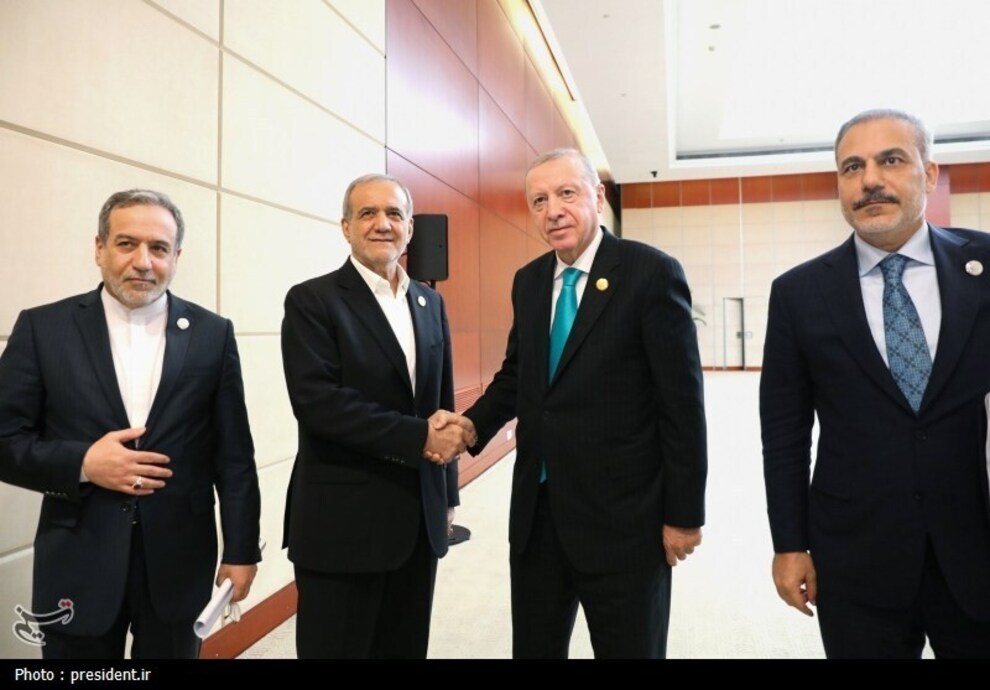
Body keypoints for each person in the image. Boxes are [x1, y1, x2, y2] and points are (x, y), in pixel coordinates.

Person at [437, 148, 707, 658]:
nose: (553, 211)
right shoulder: (530, 281)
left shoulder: (650, 273)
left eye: (566, 193)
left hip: (623, 523)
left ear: (597, 197)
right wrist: (470, 427)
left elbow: (683, 407)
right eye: (539, 201)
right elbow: (518, 376)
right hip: (538, 517)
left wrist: (684, 514)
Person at [761, 109, 990, 658]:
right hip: (856, 556)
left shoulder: (984, 266)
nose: (869, 181)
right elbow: (785, 435)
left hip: (976, 545)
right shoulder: (797, 294)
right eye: (852, 167)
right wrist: (789, 545)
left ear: (928, 174)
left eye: (891, 160)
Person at [0, 189, 261, 659]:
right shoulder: (43, 329)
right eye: (126, 244)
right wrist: (83, 463)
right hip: (77, 559)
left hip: (179, 562)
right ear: (99, 248)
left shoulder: (213, 334)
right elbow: (4, 440)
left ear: (176, 257)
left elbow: (235, 456)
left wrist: (241, 551)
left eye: (159, 248)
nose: (143, 262)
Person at [281, 173, 463, 659]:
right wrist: (420, 436)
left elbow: (440, 402)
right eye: (367, 213)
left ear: (410, 229)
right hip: (343, 525)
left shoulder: (430, 302)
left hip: (418, 521)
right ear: (346, 227)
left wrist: (446, 493)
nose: (382, 224)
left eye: (394, 214)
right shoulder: (312, 300)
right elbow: (319, 404)